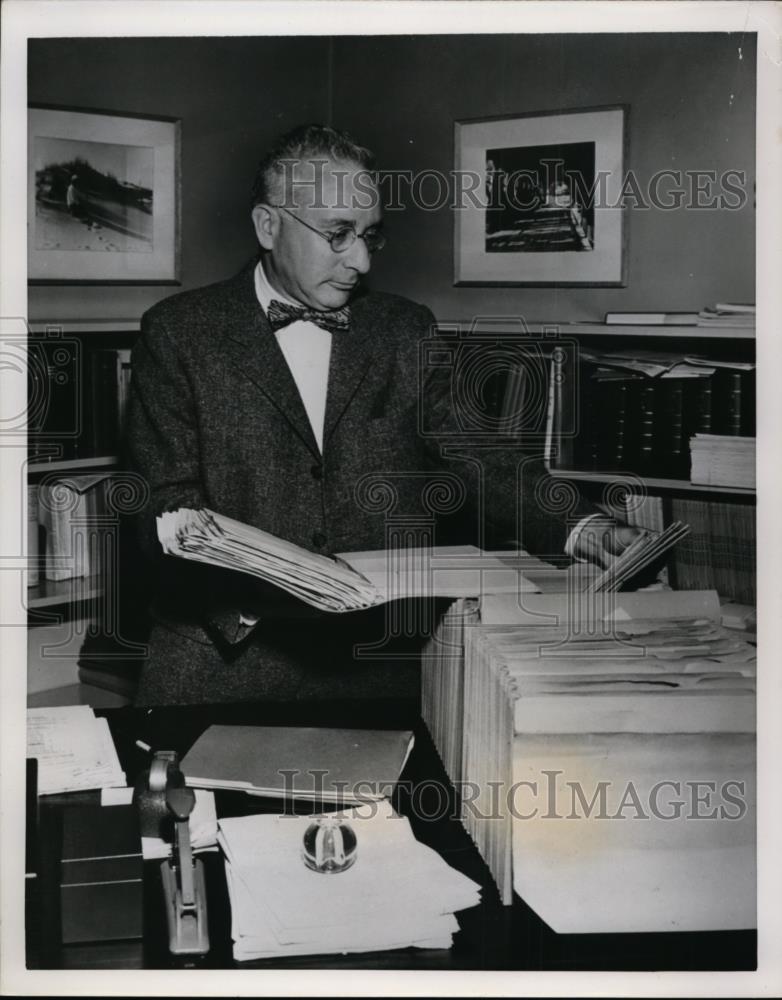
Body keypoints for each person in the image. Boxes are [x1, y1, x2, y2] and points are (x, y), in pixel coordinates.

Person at [127, 124, 640, 707]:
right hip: (221, 665)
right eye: (338, 234)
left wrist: (582, 526)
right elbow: (163, 509)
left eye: (371, 235)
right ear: (268, 226)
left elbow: (476, 453)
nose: (362, 260)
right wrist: (255, 593)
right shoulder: (178, 332)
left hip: (372, 672)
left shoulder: (403, 328)